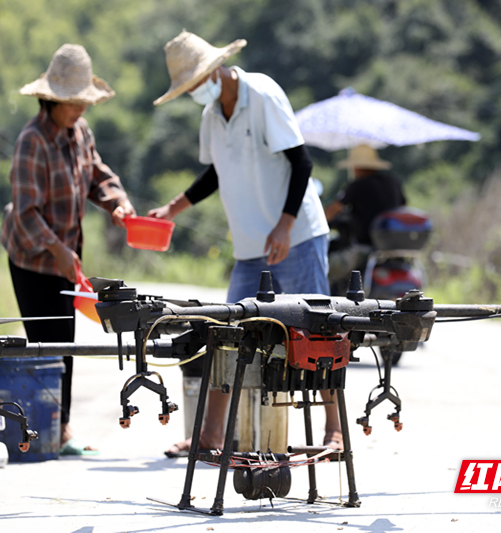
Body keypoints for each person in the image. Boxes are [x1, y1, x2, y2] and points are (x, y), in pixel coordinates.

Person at [149, 31, 341, 455]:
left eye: (196, 83)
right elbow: (216, 173)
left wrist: (285, 226)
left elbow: (302, 162)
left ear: (214, 70)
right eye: (188, 89)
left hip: (296, 236)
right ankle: (210, 436)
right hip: (250, 247)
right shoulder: (212, 116)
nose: (196, 93)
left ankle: (334, 432)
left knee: (319, 332)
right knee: (226, 335)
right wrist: (174, 208)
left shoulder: (263, 93)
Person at [1, 43, 136, 456]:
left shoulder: (80, 134)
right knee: (45, 340)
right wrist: (57, 250)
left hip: (65, 256)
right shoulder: (32, 141)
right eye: (73, 102)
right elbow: (26, 213)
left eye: (84, 102)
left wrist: (118, 203)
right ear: (52, 100)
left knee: (68, 340)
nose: (80, 109)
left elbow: (98, 176)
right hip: (32, 256)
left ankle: (60, 426)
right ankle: (40, 427)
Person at [324, 145, 406, 290]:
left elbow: (333, 211)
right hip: (392, 250)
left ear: (355, 167)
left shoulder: (357, 185)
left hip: (365, 249)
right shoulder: (393, 182)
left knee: (324, 269)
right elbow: (403, 206)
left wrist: (317, 222)